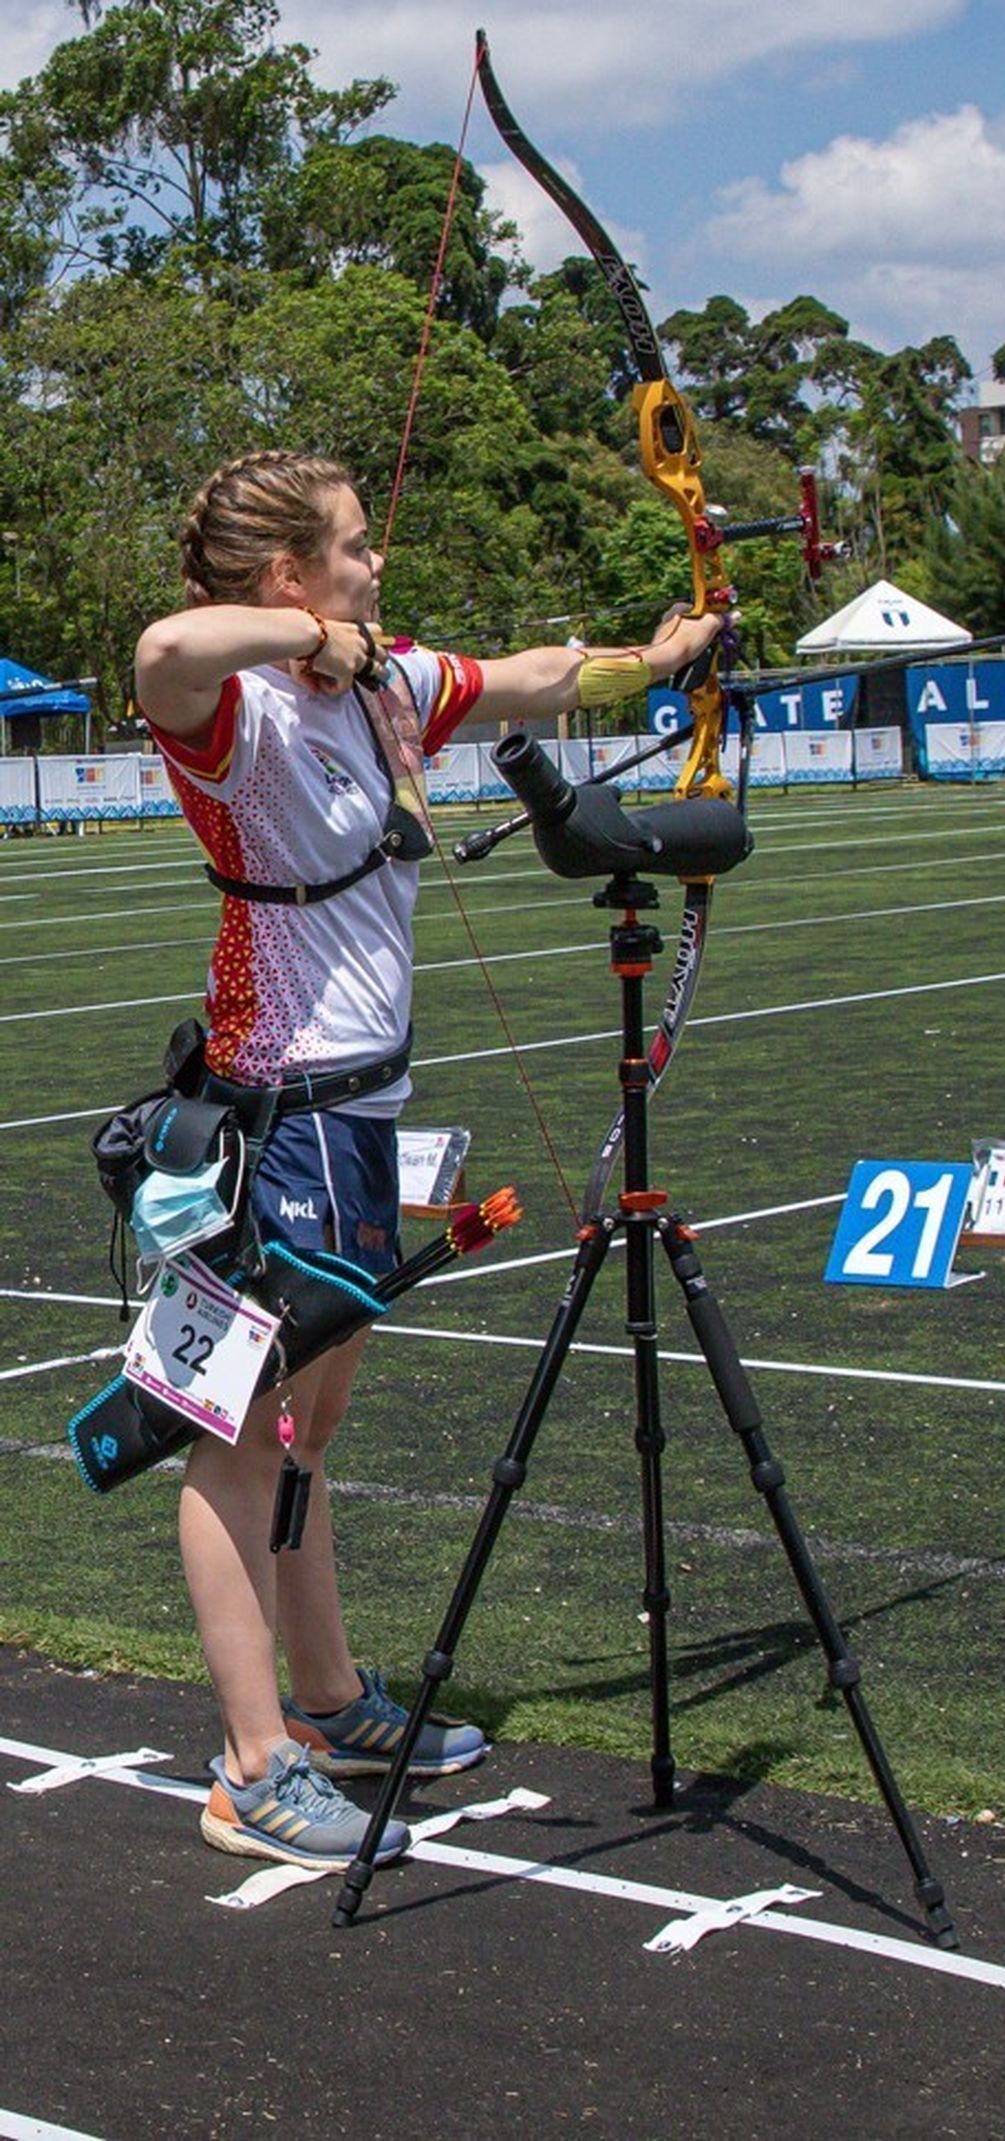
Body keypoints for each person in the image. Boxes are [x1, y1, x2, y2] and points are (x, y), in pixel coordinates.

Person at [135, 448, 724, 1868]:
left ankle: (328, 1702)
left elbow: (521, 677)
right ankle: (252, 1762)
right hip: (270, 1117)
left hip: (356, 1118)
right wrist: (309, 638)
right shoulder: (242, 711)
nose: (375, 566)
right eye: (350, 550)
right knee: (227, 1448)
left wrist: (657, 658)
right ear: (290, 578)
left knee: (306, 1431)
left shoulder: (385, 683)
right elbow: (163, 646)